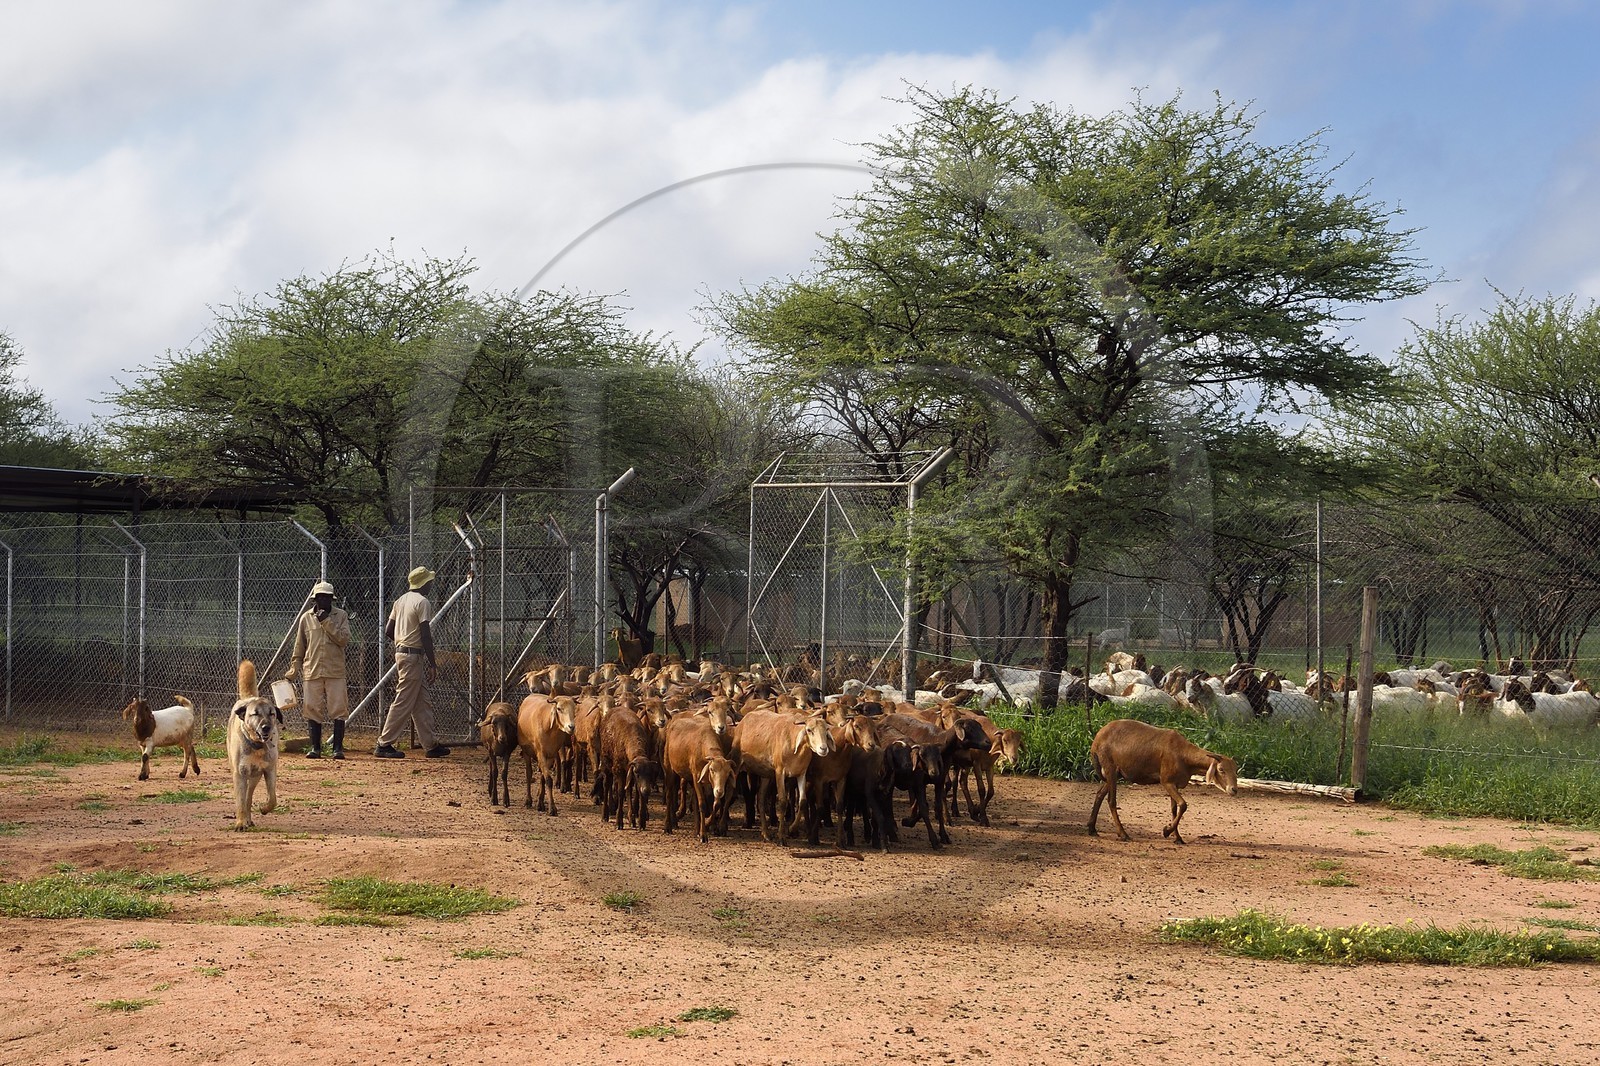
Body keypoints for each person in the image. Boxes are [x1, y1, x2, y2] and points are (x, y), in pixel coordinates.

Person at [375, 565, 450, 759]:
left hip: (403, 653)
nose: (431, 585)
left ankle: (430, 745)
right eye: (430, 582)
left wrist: (402, 642)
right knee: (404, 700)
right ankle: (384, 743)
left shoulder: (400, 601)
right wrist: (433, 663)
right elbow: (426, 634)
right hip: (413, 656)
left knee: (421, 701)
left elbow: (388, 631)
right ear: (424, 583)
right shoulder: (422, 602)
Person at [285, 579, 352, 759]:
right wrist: (293, 670)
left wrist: (326, 621)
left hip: (335, 671)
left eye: (326, 597)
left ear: (332, 599)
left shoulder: (341, 616)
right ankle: (316, 748)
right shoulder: (306, 618)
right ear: (314, 599)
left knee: (338, 709)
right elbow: (299, 646)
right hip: (312, 670)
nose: (322, 600)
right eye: (319, 597)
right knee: (312, 708)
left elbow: (343, 640)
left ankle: (338, 748)